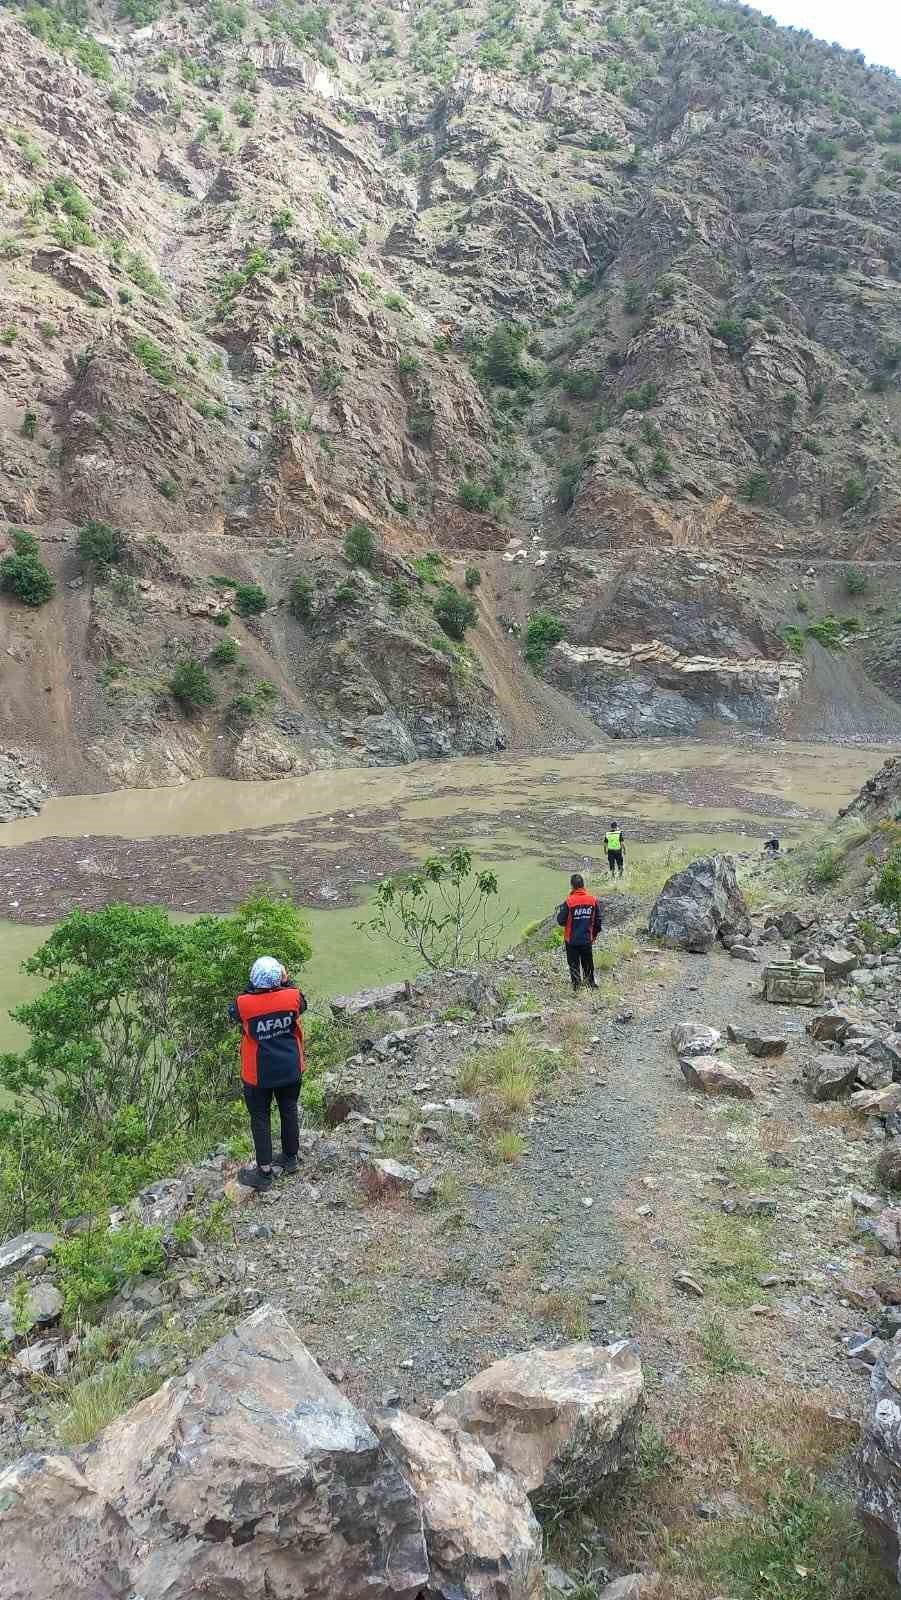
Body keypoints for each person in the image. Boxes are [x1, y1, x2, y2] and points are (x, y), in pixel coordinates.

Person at [229, 955, 307, 1191]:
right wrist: (286, 981)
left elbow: (234, 1012)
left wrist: (253, 986)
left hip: (259, 1074)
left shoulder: (244, 1003)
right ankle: (290, 1158)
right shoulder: (292, 996)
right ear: (280, 978)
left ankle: (264, 1173)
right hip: (290, 1067)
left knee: (260, 1118)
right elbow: (302, 1003)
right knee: (289, 1109)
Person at [556, 873, 602, 990]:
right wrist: (593, 936)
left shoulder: (569, 902)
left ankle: (576, 987)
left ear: (572, 886)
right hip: (586, 939)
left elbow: (560, 921)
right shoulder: (593, 900)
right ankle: (590, 984)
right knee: (588, 963)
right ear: (583, 885)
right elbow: (598, 921)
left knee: (573, 964)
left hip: (571, 940)